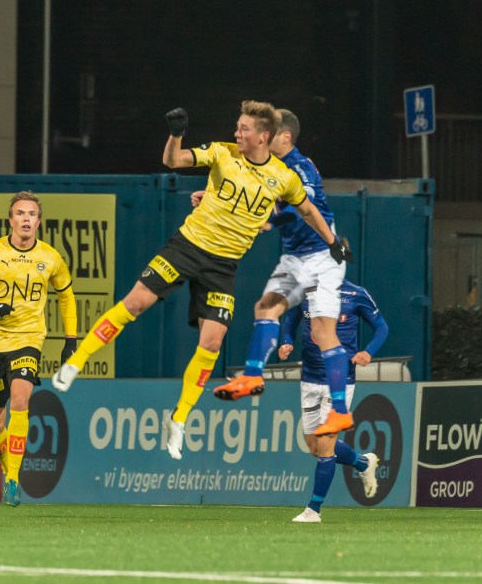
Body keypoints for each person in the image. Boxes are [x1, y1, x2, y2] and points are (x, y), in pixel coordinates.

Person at [52, 102, 349, 460]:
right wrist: (176, 134)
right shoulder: (222, 153)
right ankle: (76, 362)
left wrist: (333, 242)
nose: (236, 133)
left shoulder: (283, 177)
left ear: (263, 136)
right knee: (136, 302)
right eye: (237, 127)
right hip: (188, 247)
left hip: (223, 267)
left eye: (243, 129)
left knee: (212, 341)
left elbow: (307, 210)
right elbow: (173, 161)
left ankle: (178, 419)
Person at [211, 109, 356, 437]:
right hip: (296, 257)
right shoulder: (269, 167)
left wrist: (270, 221)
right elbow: (245, 194)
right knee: (265, 307)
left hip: (322, 257)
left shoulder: (300, 166)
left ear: (285, 137)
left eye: (270, 131)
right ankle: (252, 376)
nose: (263, 134)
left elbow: (300, 208)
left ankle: (340, 411)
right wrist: (211, 197)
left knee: (322, 332)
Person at [0, 191, 78, 506]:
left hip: (28, 340)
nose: (26, 219)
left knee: (21, 400)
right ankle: (7, 467)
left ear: (39, 221)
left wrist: (71, 339)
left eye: (32, 214)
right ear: (10, 220)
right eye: (20, 213)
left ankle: (12, 480)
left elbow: (66, 296)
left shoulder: (51, 258)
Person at [278, 278, 389, 523]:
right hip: (310, 378)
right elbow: (291, 320)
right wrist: (286, 341)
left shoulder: (356, 294)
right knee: (314, 447)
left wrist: (368, 352)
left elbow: (381, 327)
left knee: (326, 443)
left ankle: (313, 509)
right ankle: (363, 463)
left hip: (340, 379)